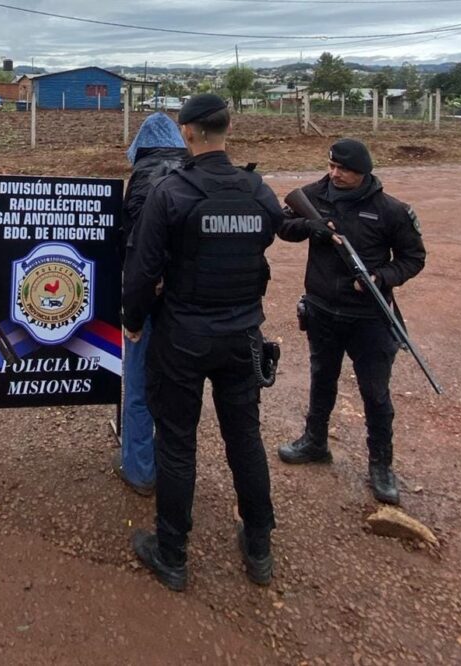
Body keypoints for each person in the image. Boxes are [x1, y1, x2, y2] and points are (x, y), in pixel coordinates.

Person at [122, 94, 283, 591]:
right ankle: (258, 545)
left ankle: (172, 554)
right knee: (246, 439)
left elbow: (143, 269)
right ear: (227, 128)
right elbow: (266, 243)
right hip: (242, 336)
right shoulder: (258, 191)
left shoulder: (172, 193)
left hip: (184, 337)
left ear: (187, 132)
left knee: (176, 443)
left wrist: (132, 320)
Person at [277, 138, 426, 505]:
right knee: (321, 379)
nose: (335, 174)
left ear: (364, 173)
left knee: (375, 393)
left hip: (369, 318)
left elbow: (413, 257)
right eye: (331, 166)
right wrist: (313, 229)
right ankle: (315, 442)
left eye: (344, 170)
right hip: (323, 310)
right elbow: (283, 225)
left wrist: (382, 278)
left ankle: (381, 464)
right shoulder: (315, 195)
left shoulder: (391, 210)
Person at [113, 112, 188, 497]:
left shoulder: (143, 180)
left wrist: (133, 313)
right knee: (177, 389)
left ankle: (140, 468)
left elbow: (140, 255)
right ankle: (172, 467)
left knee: (139, 384)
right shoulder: (193, 175)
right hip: (188, 307)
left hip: (150, 302)